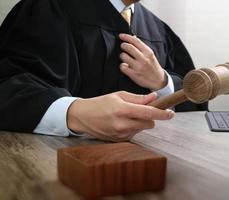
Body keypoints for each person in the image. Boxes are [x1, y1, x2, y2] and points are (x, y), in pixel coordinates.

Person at [0, 0, 208, 141]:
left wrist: (163, 82)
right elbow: (8, 86)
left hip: (148, 167)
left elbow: (195, 104)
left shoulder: (159, 29)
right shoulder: (49, 6)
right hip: (52, 167)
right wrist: (75, 113)